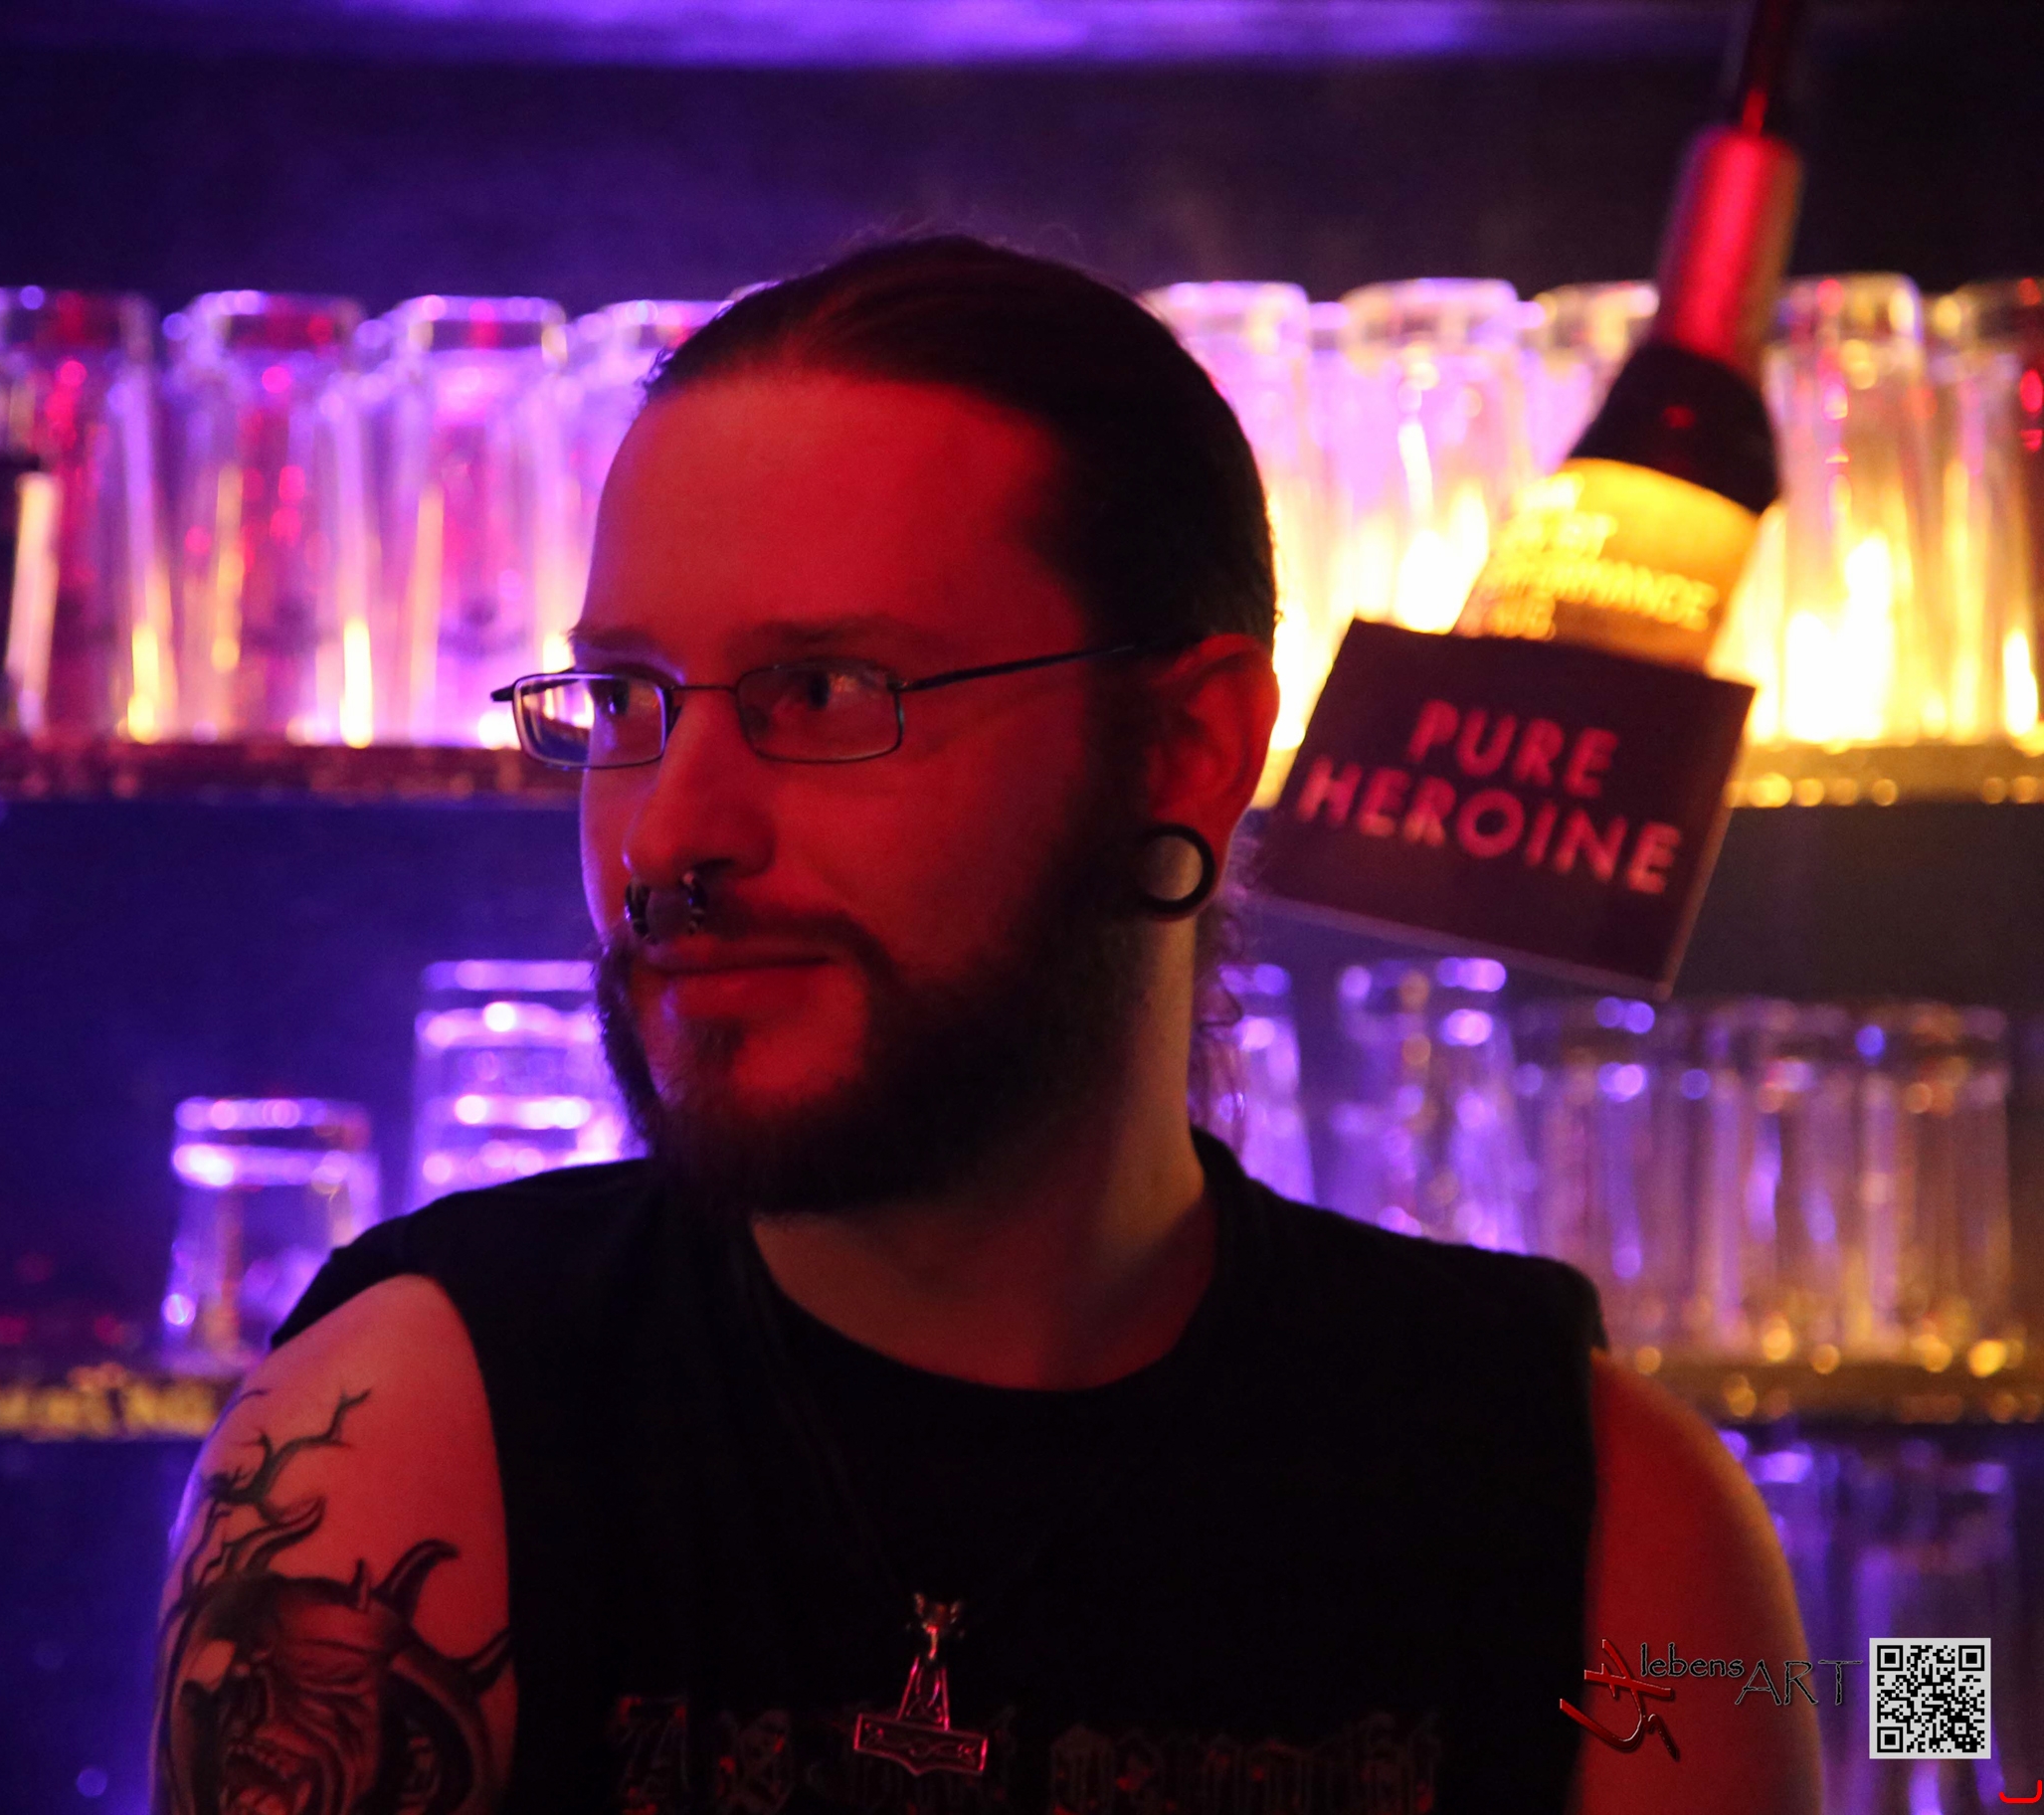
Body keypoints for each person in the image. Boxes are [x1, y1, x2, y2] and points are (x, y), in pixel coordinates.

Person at [151, 237, 1819, 1815]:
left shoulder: (1605, 1520)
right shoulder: (407, 1439)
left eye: (823, 693)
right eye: (628, 701)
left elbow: (1905, 1705)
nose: (668, 832)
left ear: (1183, 749)